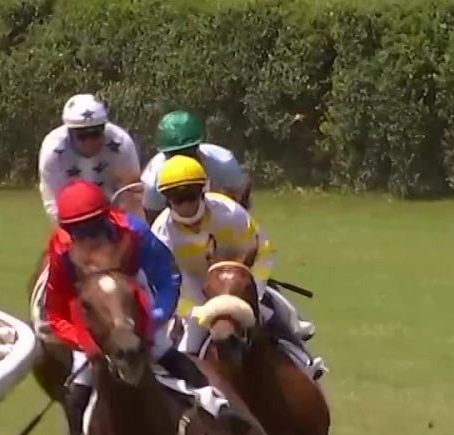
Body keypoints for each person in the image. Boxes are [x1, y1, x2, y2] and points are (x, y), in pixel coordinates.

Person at [37, 180, 248, 435]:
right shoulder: (60, 248)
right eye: (78, 230)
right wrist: (86, 343)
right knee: (79, 386)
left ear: (106, 217)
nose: (88, 236)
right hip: (91, 315)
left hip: (135, 299)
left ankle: (218, 407)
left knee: (166, 353)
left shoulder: (134, 231)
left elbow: (167, 277)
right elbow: (56, 311)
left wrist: (155, 319)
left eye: (94, 226)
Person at [149, 155, 321, 373]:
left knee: (275, 314)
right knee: (187, 344)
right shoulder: (161, 233)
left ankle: (305, 362)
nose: (186, 205)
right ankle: (191, 387)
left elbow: (262, 249)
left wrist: (253, 290)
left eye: (191, 196)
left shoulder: (230, 213)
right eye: (177, 199)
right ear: (166, 200)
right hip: (193, 286)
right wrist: (192, 312)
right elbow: (165, 281)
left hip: (239, 276)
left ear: (203, 191)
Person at [37, 94, 144, 224]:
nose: (90, 142)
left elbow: (131, 192)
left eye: (96, 133)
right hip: (73, 215)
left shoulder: (121, 143)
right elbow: (53, 202)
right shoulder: (53, 151)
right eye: (82, 136)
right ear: (70, 133)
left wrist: (125, 230)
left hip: (114, 212)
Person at [140, 110, 251, 222]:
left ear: (198, 147)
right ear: (164, 154)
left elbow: (242, 193)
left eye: (187, 152)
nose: (182, 159)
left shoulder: (223, 163)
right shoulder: (152, 181)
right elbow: (153, 225)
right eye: (174, 154)